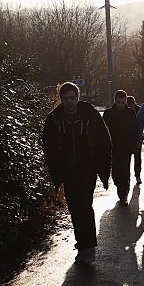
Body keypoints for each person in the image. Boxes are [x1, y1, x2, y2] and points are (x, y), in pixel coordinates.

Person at [41, 82, 112, 264]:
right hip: (68, 171)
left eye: (72, 98)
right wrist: (55, 172)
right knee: (74, 208)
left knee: (85, 206)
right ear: (61, 99)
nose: (69, 102)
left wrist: (103, 169)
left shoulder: (90, 115)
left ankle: (88, 247)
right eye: (65, 99)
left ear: (77, 97)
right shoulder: (54, 119)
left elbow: (104, 141)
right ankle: (81, 243)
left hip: (87, 170)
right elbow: (49, 147)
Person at [103, 89, 138, 206]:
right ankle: (121, 190)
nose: (121, 105)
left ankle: (124, 194)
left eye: (123, 102)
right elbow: (103, 131)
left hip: (126, 148)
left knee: (124, 171)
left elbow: (135, 130)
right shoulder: (108, 114)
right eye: (119, 102)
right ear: (115, 101)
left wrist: (134, 145)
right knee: (115, 174)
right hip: (113, 148)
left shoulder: (130, 113)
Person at [126, 95, 143, 183]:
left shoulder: (139, 110)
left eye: (131, 106)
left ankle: (137, 175)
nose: (130, 108)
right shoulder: (125, 111)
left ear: (134, 104)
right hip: (127, 138)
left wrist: (140, 138)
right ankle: (127, 176)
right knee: (127, 158)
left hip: (137, 136)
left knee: (137, 157)